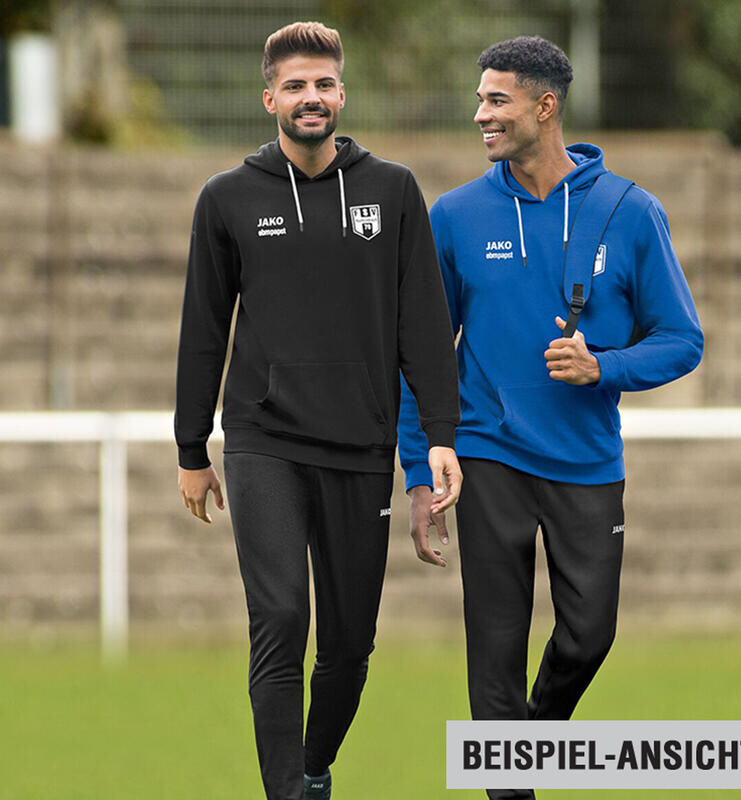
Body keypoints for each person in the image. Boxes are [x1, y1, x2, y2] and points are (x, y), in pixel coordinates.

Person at [398, 35, 703, 800]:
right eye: (479, 100)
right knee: (494, 651)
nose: (481, 114)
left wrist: (605, 366)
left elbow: (682, 340)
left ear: (545, 106)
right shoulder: (455, 215)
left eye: (496, 100)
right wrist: (418, 467)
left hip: (587, 462)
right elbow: (423, 356)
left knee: (589, 635)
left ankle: (523, 750)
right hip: (488, 454)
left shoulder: (631, 212)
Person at [174, 21, 462, 800]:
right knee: (279, 621)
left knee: (348, 646)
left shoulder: (393, 190)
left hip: (360, 445)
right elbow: (203, 330)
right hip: (263, 442)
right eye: (296, 85)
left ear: (342, 94)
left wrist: (439, 437)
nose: (312, 97)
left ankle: (312, 768)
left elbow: (424, 328)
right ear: (269, 98)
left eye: (324, 84)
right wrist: (191, 448)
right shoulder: (226, 198)